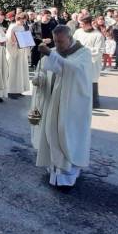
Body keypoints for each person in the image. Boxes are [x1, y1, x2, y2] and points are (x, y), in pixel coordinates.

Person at [34, 26, 94, 190]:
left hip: (72, 107)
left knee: (67, 137)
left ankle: (67, 177)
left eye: (60, 41)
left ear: (69, 38)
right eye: (55, 42)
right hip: (53, 103)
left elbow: (74, 70)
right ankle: (54, 171)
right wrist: (39, 79)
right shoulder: (55, 52)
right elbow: (45, 70)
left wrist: (51, 54)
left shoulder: (83, 54)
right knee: (52, 136)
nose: (58, 45)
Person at [72, 17, 104, 108]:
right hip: (78, 61)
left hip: (91, 63)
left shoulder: (98, 35)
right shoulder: (78, 32)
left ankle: (94, 102)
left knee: (91, 81)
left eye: (82, 24)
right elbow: (72, 43)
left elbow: (99, 50)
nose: (80, 26)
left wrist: (84, 50)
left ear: (88, 24)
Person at [5, 13, 31, 97]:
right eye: (23, 19)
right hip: (14, 51)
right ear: (18, 18)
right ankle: (10, 91)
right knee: (13, 71)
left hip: (21, 51)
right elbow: (9, 40)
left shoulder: (22, 27)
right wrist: (16, 40)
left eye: (25, 19)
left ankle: (18, 90)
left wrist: (26, 41)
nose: (24, 21)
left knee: (20, 71)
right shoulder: (12, 26)